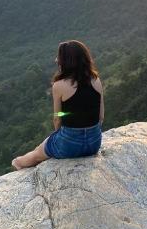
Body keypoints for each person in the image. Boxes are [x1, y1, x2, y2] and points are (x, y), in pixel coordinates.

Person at [12, 40, 104, 169]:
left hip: (69, 143)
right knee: (44, 146)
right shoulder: (96, 80)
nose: (56, 60)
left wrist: (61, 136)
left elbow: (58, 117)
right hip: (94, 143)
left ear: (67, 61)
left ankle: (17, 163)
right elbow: (101, 116)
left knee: (37, 154)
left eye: (59, 57)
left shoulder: (59, 85)